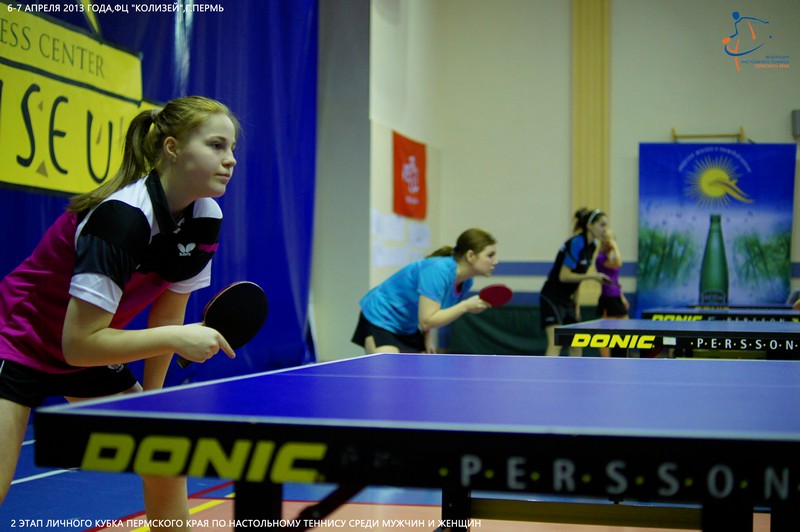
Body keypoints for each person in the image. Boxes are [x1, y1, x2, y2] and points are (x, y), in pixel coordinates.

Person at [0, 95, 240, 530]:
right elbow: (80, 344)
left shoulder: (205, 218)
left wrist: (154, 402)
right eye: (216, 145)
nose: (231, 160)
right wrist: (178, 338)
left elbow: (166, 318)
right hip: (18, 341)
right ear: (172, 148)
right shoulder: (122, 218)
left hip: (85, 347)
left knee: (164, 453)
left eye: (232, 148)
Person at [352, 228, 498, 354]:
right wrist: (465, 306)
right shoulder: (438, 270)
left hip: (408, 325)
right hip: (381, 316)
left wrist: (427, 338)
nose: (495, 262)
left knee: (417, 371)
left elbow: (433, 310)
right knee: (387, 370)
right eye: (490, 255)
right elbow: (427, 321)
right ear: (470, 256)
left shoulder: (466, 281)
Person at [540, 208, 611, 356]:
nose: (605, 229)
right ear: (590, 226)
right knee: (556, 342)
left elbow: (578, 276)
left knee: (577, 343)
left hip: (569, 299)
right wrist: (593, 277)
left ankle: (576, 372)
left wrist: (576, 304)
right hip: (552, 296)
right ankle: (546, 371)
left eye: (606, 225)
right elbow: (564, 276)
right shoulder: (577, 242)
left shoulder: (593, 246)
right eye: (602, 225)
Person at [595, 228, 630, 357]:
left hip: (616, 296)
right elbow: (618, 263)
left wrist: (622, 297)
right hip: (608, 297)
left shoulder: (612, 256)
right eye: (606, 239)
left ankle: (622, 359)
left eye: (611, 238)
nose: (608, 241)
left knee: (625, 330)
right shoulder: (600, 258)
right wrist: (615, 246)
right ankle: (605, 360)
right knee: (605, 333)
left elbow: (616, 280)